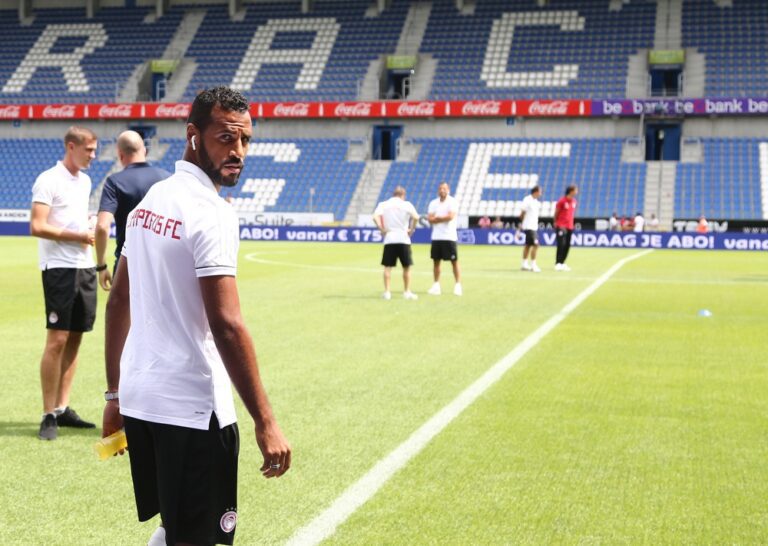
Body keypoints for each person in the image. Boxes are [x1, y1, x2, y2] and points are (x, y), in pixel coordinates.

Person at [102, 87, 291, 546]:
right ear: (193, 135)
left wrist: (114, 394)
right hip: (191, 408)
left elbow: (118, 301)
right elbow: (227, 324)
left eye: (245, 140)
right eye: (226, 138)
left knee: (176, 526)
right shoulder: (212, 213)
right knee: (198, 536)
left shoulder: (151, 201)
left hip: (142, 399)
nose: (238, 151)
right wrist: (265, 420)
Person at [30, 126, 99, 441]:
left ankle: (62, 407)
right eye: (89, 150)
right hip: (59, 267)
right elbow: (37, 226)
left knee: (75, 338)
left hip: (84, 266)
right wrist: (78, 235)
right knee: (57, 339)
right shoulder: (48, 180)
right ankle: (47, 414)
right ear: (71, 146)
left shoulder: (85, 181)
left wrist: (88, 228)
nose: (93, 156)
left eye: (95, 150)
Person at [95, 130, 171, 290]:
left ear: (120, 154)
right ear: (144, 150)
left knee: (123, 307)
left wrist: (101, 266)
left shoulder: (114, 182)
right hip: (162, 265)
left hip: (127, 265)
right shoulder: (167, 178)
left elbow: (102, 226)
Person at [373, 185, 419, 300]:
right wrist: (412, 229)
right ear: (403, 195)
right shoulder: (406, 204)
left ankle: (387, 292)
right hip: (403, 238)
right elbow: (416, 217)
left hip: (390, 239)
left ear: (393, 194)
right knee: (406, 267)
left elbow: (375, 217)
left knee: (387, 267)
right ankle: (407, 292)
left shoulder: (384, 204)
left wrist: (381, 228)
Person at [427, 182, 462, 296]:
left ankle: (458, 285)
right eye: (440, 188)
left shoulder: (452, 202)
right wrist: (441, 219)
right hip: (436, 237)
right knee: (436, 262)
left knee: (454, 262)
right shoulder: (433, 203)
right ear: (438, 190)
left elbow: (450, 217)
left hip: (449, 237)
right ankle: (436, 285)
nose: (442, 190)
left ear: (448, 190)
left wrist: (437, 218)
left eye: (444, 188)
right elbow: (430, 219)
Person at [554, 185, 578, 271]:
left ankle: (562, 263)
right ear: (571, 191)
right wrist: (556, 222)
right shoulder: (562, 201)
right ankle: (558, 263)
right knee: (561, 244)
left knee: (567, 245)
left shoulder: (574, 201)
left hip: (569, 226)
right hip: (561, 225)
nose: (577, 192)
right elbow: (556, 213)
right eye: (575, 190)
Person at [519, 185, 542, 273]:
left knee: (528, 245)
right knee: (536, 245)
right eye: (540, 191)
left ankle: (524, 264)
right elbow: (522, 213)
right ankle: (533, 265)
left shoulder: (536, 202)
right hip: (529, 226)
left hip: (534, 226)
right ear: (536, 192)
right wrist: (523, 223)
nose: (541, 193)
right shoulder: (527, 199)